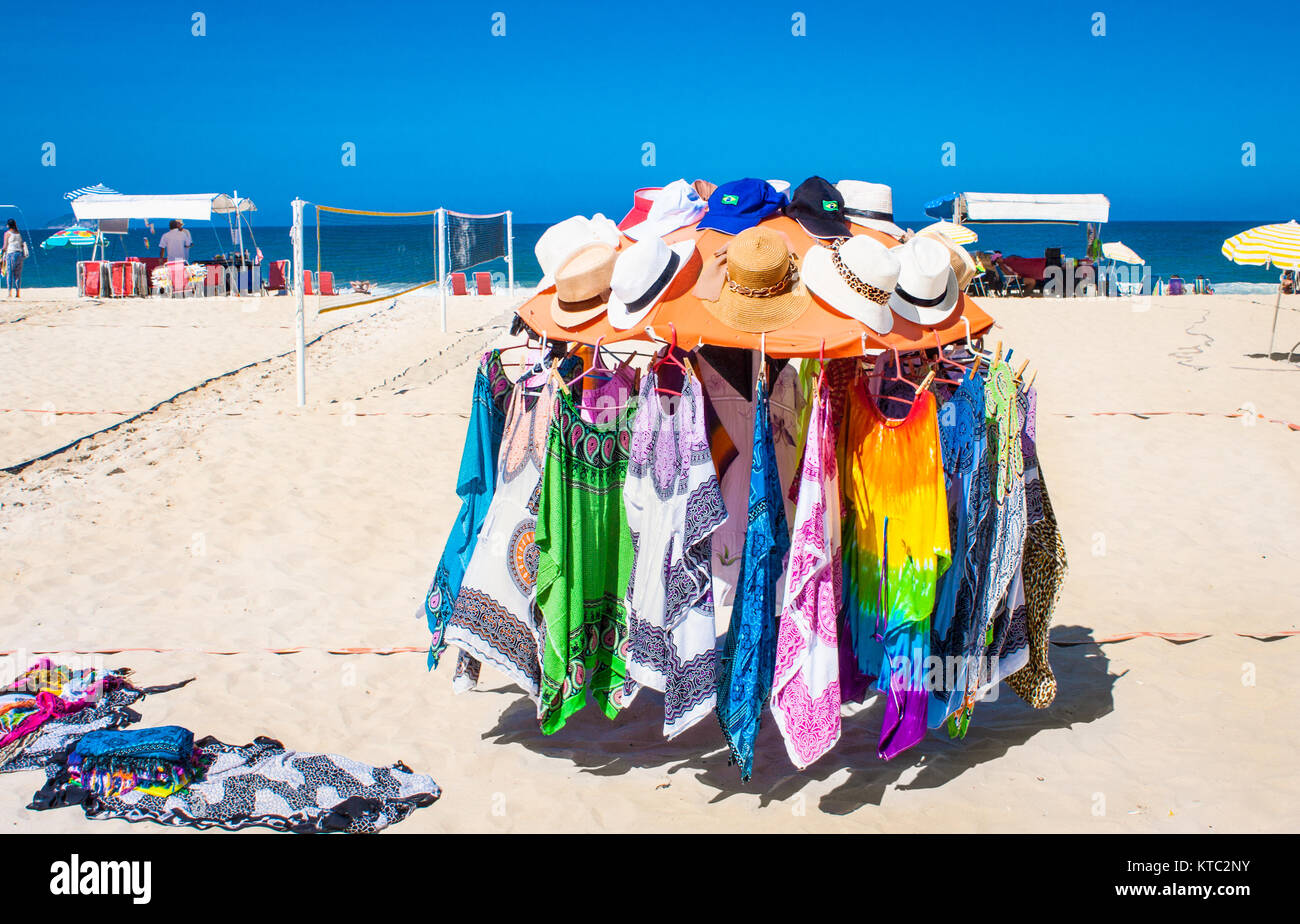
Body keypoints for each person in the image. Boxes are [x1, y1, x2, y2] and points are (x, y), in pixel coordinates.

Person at [4, 219, 25, 297]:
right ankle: (17, 293)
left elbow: (5, 246)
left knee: (10, 274)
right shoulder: (18, 233)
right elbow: (22, 245)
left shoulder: (7, 234)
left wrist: (1, 252)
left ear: (8, 225)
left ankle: (9, 293)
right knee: (17, 275)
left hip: (11, 254)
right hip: (19, 255)